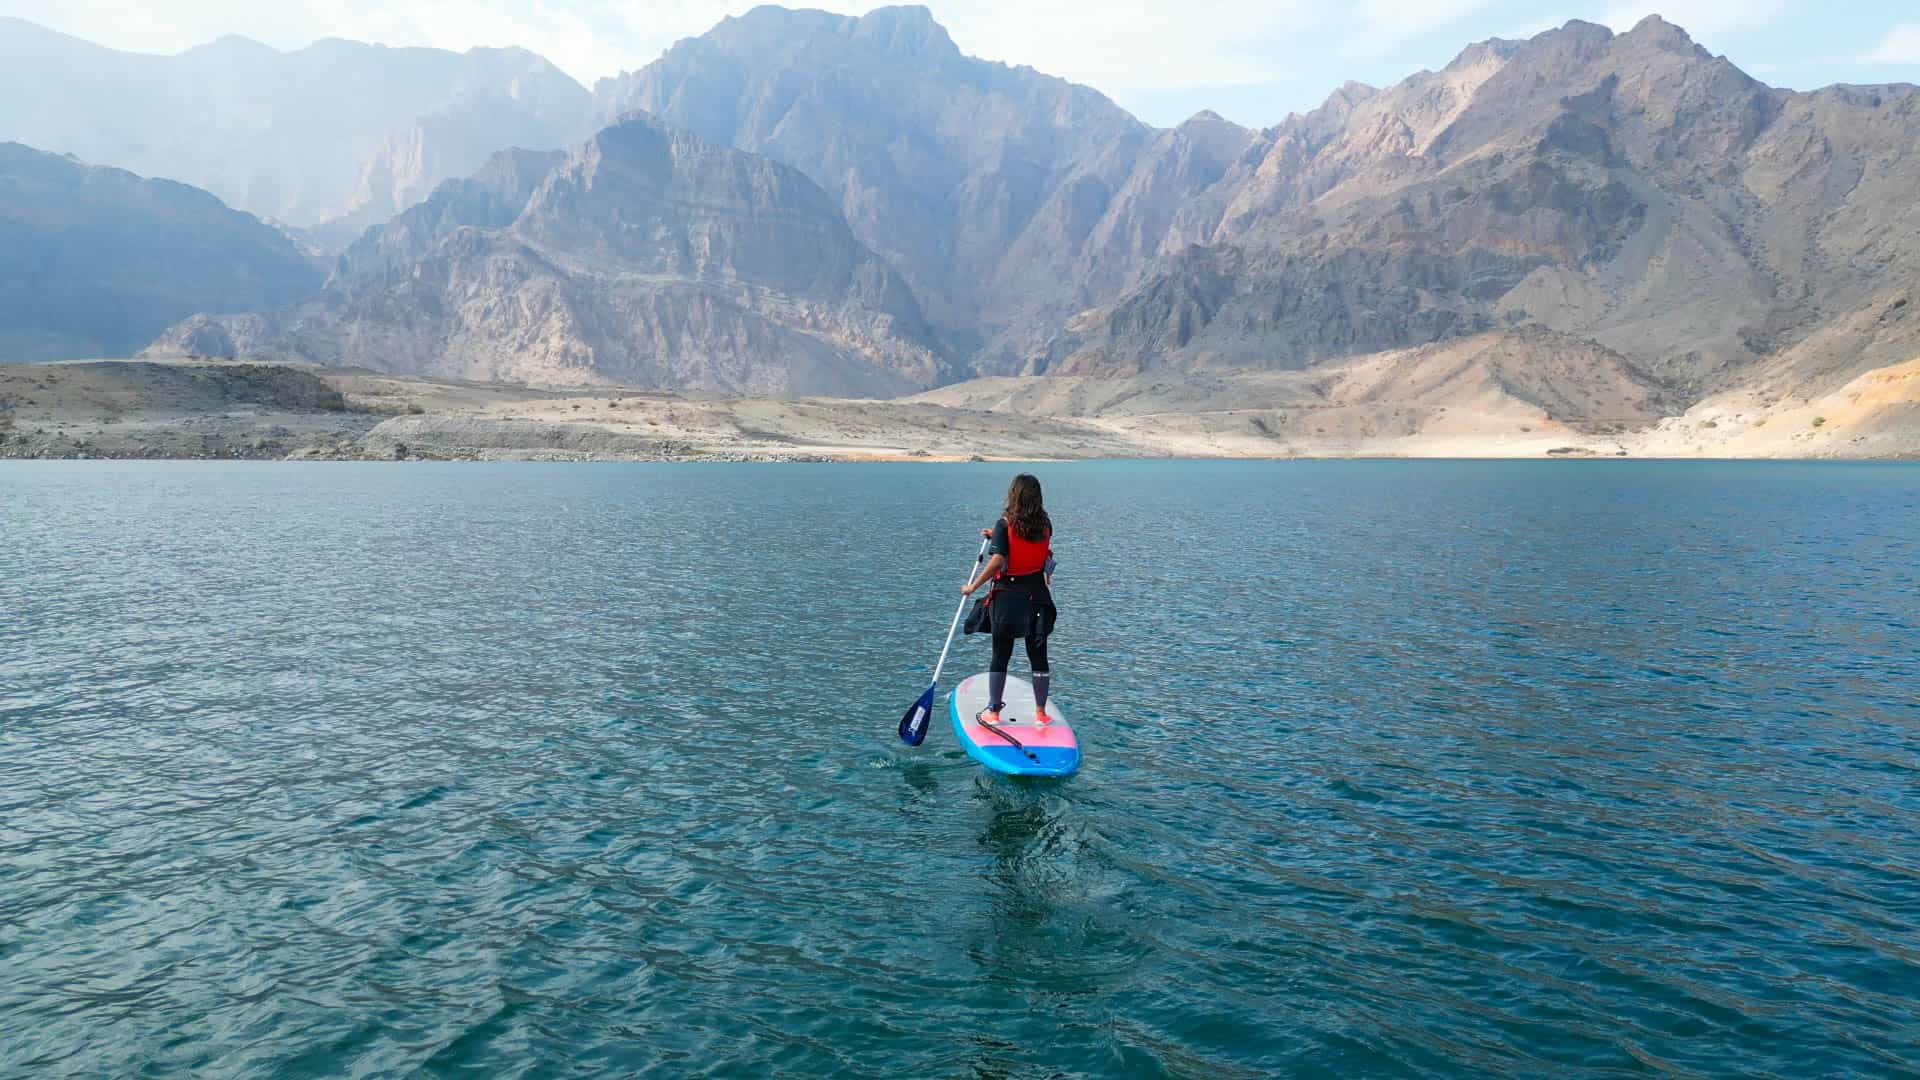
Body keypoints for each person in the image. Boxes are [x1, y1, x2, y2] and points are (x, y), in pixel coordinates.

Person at [960, 473, 1059, 725]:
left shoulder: (1005, 525)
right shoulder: (1046, 524)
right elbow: (1027, 539)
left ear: (1013, 495)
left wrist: (974, 585)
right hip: (1037, 598)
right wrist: (996, 535)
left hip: (1007, 600)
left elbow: (999, 560)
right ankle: (1041, 713)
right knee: (1038, 656)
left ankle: (993, 712)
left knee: (1000, 655)